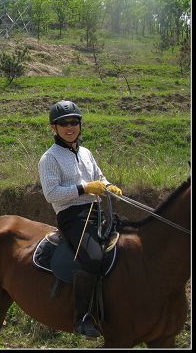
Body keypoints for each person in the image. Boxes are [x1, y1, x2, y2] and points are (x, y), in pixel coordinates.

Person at [38, 100, 123, 338]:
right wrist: (85, 188)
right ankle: (83, 317)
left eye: (74, 122)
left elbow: (99, 177)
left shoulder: (86, 152)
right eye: (63, 123)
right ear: (53, 128)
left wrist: (108, 186)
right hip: (71, 216)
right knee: (93, 257)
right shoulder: (49, 158)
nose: (70, 127)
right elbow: (51, 193)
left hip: (96, 212)